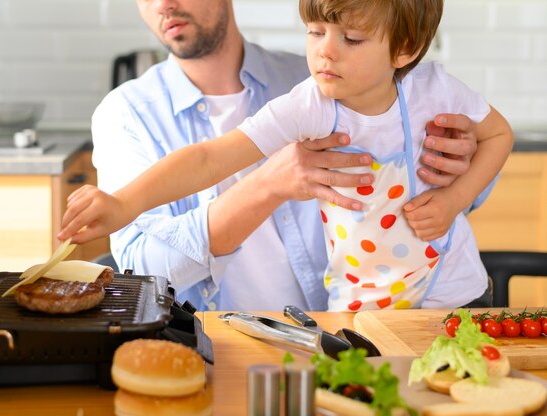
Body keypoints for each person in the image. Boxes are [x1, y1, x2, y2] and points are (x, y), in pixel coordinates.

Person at [60, 0, 505, 311]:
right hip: (329, 324)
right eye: (315, 32)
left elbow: (487, 152)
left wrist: (455, 181)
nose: (326, 50)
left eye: (349, 36)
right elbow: (204, 164)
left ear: (403, 50)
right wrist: (123, 204)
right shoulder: (310, 99)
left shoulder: (366, 81)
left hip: (442, 296)